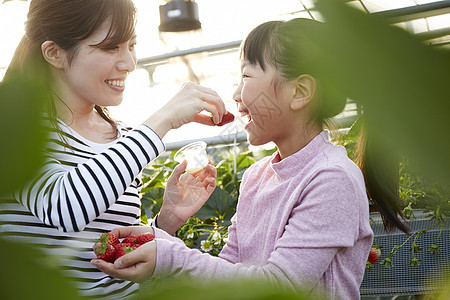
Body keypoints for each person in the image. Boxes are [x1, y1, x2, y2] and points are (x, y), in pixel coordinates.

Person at [92, 18, 410, 299]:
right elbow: (230, 272)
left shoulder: (332, 178)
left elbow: (278, 286)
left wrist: (171, 256)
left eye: (246, 76)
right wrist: (160, 233)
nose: (236, 94)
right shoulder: (257, 177)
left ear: (299, 93)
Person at [0, 0, 227, 299]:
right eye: (111, 47)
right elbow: (63, 208)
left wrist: (165, 222)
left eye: (131, 45)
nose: (129, 63)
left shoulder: (124, 138)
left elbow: (114, 266)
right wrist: (163, 119)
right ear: (54, 53)